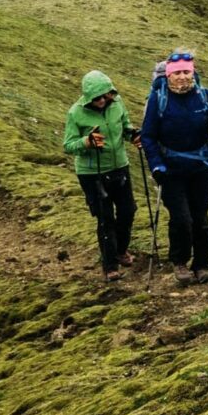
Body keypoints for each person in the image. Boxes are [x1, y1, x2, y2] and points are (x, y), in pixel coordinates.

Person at [140, 50, 208, 285]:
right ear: (168, 75)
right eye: (177, 73)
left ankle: (202, 264)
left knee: (200, 216)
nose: (182, 77)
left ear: (192, 73)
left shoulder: (204, 95)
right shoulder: (158, 100)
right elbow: (148, 136)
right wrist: (156, 165)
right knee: (182, 218)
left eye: (186, 72)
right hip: (170, 169)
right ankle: (180, 262)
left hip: (201, 166)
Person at [63, 71, 139, 278]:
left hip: (119, 166)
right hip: (91, 173)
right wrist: (86, 142)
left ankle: (121, 250)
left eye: (106, 95)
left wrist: (133, 135)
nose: (102, 100)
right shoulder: (75, 113)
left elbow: (125, 126)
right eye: (97, 98)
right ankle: (110, 266)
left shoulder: (117, 104)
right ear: (88, 97)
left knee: (128, 211)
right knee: (105, 218)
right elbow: (68, 145)